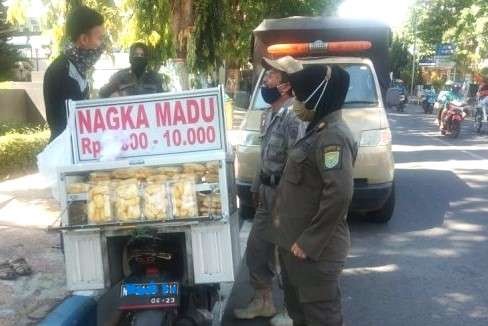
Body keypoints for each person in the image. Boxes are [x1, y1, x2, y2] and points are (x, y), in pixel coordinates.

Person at [265, 56, 357, 326]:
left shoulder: (332, 137)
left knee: (320, 318)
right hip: (296, 251)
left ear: (319, 97)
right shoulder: (317, 131)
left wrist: (309, 242)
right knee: (300, 316)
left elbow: (339, 194)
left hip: (315, 254)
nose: (297, 103)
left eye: (302, 96)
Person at [233, 57, 301, 324]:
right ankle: (263, 301)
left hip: (285, 196)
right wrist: (256, 186)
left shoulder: (294, 116)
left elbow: (298, 164)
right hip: (267, 192)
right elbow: (265, 157)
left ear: (286, 86)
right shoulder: (269, 114)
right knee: (257, 248)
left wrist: (289, 199)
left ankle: (293, 310)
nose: (266, 80)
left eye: (272, 76)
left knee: (288, 255)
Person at [43, 6, 105, 142]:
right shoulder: (61, 71)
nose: (102, 45)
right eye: (99, 38)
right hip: (66, 152)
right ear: (84, 39)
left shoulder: (76, 66)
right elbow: (69, 122)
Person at [99, 42, 164, 98]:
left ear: (146, 58)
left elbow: (164, 100)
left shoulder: (155, 77)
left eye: (142, 55)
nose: (139, 57)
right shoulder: (119, 76)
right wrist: (115, 96)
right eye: (136, 54)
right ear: (130, 57)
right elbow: (103, 94)